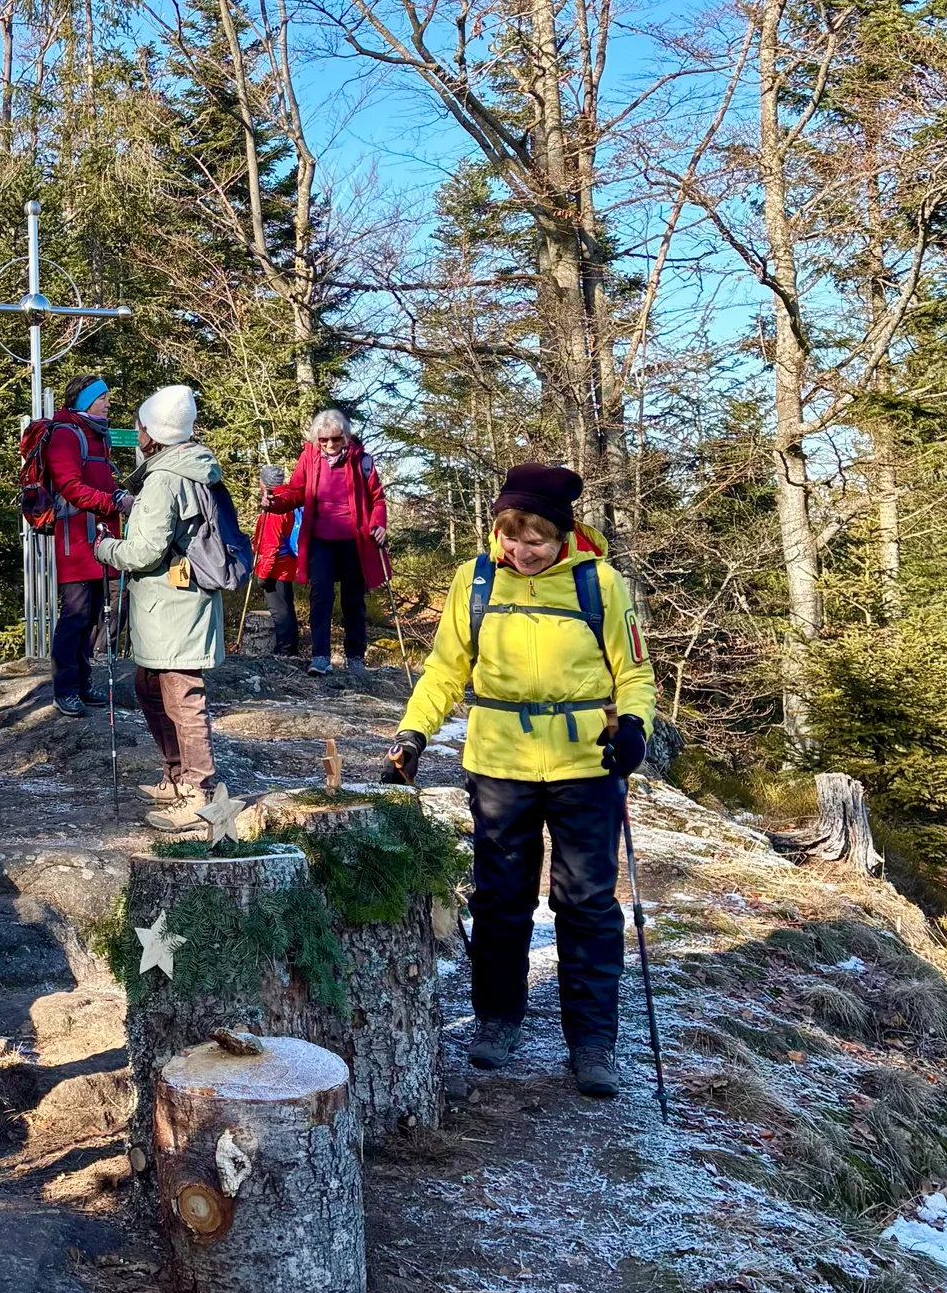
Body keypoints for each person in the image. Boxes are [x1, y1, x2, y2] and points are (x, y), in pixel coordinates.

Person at [391, 462, 654, 1102]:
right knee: (501, 899)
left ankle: (592, 1044)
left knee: (587, 904)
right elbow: (446, 669)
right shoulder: (475, 581)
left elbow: (636, 675)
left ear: (563, 535)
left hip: (586, 767)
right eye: (511, 535)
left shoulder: (601, 585)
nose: (521, 550)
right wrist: (413, 733)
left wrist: (634, 731)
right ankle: (497, 1018)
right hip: (499, 761)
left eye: (535, 538)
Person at [93, 386, 225, 805]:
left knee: (181, 696)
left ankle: (198, 791)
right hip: (179, 602)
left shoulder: (164, 478)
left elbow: (143, 551)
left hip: (172, 607)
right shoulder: (192, 467)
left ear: (151, 432)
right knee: (150, 686)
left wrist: (103, 547)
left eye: (140, 426)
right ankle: (176, 775)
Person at [259, 409, 390, 676]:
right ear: (316, 439)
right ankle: (320, 657)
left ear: (346, 436)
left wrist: (378, 525)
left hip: (355, 540)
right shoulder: (309, 458)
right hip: (320, 540)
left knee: (353, 600)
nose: (330, 446)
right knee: (321, 598)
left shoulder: (361, 461)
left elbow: (378, 499)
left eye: (336, 439)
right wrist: (275, 502)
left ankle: (355, 658)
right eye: (324, 440)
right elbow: (295, 493)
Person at [44, 373, 123, 718]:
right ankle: (64, 689)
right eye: (102, 398)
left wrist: (114, 497)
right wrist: (114, 502)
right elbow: (69, 486)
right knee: (74, 616)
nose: (108, 403)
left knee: (92, 616)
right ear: (85, 402)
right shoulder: (66, 434)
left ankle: (81, 682)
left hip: (97, 539)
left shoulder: (95, 435)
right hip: (74, 542)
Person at [251, 460, 303, 658]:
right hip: (287, 565)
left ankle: (284, 652)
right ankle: (291, 649)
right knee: (287, 607)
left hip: (276, 568)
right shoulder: (288, 498)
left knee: (278, 611)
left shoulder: (275, 507)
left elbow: (271, 545)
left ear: (265, 484)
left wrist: (263, 574)